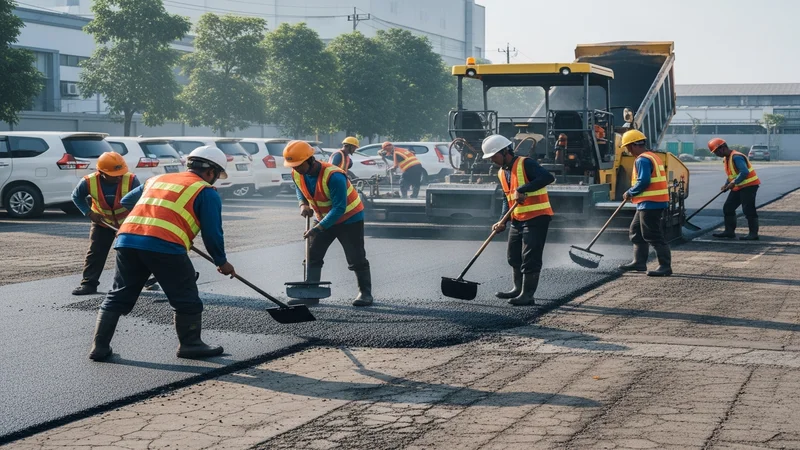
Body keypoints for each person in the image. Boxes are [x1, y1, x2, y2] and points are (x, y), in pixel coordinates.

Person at [88, 146, 236, 361]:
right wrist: (221, 261)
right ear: (211, 171)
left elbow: (127, 201)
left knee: (118, 295)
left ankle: (99, 347)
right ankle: (190, 344)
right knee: (185, 296)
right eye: (216, 175)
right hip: (165, 245)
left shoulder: (157, 179)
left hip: (127, 239)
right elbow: (212, 232)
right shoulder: (205, 191)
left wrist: (153, 216)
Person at [284, 140, 373, 307]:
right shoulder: (297, 172)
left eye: (299, 165)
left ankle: (365, 293)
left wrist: (318, 228)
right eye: (293, 165)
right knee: (312, 254)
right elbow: (299, 188)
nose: (296, 168)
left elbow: (339, 208)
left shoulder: (334, 176)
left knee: (356, 257)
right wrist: (303, 204)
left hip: (349, 219)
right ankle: (311, 293)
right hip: (323, 217)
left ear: (310, 160)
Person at [70, 152, 160, 295]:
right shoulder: (88, 181)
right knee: (96, 252)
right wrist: (89, 213)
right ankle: (88, 284)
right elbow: (76, 196)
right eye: (114, 175)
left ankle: (145, 280)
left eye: (120, 173)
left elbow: (140, 202)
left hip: (127, 223)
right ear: (101, 173)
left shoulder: (131, 180)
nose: (119, 177)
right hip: (102, 223)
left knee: (137, 252)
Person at [483, 134, 555, 306]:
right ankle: (517, 289)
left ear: (505, 151)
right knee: (513, 256)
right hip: (517, 219)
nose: (492, 160)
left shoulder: (526, 163)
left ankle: (527, 295)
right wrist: (502, 220)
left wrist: (523, 189)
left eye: (494, 156)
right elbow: (507, 198)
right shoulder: (502, 172)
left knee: (530, 257)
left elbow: (548, 177)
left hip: (537, 217)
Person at [618, 130, 672, 277]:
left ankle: (665, 266)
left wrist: (630, 192)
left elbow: (644, 181)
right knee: (636, 231)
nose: (628, 151)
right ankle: (639, 262)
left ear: (634, 145)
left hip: (652, 203)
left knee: (652, 235)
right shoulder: (652, 156)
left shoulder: (642, 160)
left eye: (628, 147)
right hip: (646, 203)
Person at [708, 138, 761, 240]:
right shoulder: (727, 158)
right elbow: (732, 174)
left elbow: (744, 172)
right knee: (728, 207)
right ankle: (729, 232)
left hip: (749, 186)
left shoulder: (737, 157)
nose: (716, 154)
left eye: (716, 152)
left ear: (723, 148)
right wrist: (726, 184)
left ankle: (753, 234)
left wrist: (733, 183)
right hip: (739, 186)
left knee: (748, 209)